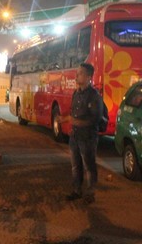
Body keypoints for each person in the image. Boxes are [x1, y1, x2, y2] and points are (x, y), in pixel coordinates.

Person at [57, 63, 103, 205]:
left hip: (88, 138)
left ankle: (90, 194)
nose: (76, 76)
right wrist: (69, 122)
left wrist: (74, 121)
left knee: (89, 166)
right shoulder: (76, 93)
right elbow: (73, 113)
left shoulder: (94, 96)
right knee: (75, 166)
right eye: (77, 73)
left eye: (80, 73)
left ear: (89, 77)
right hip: (75, 137)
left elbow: (95, 119)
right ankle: (77, 191)